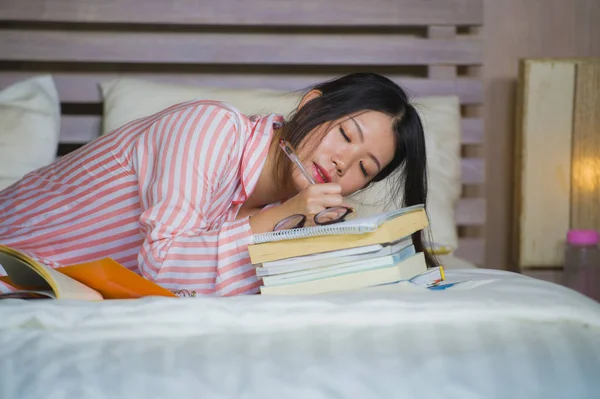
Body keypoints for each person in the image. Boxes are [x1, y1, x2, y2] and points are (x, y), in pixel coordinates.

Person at [0, 72, 434, 296]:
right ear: (311, 106)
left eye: (365, 168)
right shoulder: (208, 127)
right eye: (345, 135)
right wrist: (283, 218)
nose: (343, 166)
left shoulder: (292, 213)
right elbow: (162, 267)